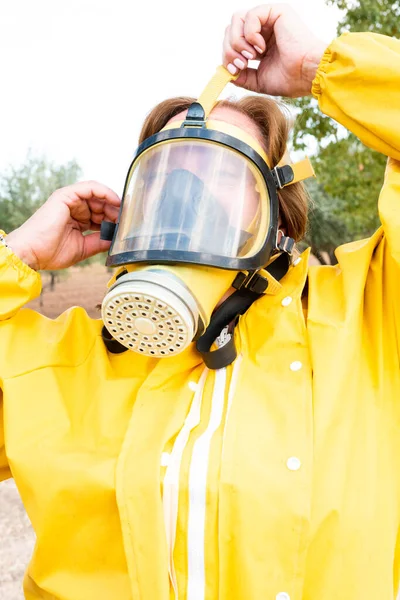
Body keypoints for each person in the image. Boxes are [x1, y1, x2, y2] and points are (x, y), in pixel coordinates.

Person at [1, 4, 400, 599]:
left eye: (223, 170)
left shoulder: (367, 318)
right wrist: (15, 257)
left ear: (275, 207)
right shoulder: (67, 362)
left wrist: (322, 67)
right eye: (169, 172)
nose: (189, 194)